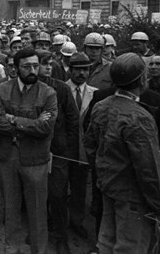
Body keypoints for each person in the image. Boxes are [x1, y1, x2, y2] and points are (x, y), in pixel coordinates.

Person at [84, 53, 160, 253]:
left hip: (108, 188)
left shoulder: (100, 106)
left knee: (105, 243)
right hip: (133, 197)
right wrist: (159, 206)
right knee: (130, 247)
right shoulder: (140, 117)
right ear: (141, 79)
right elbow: (149, 169)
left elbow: (90, 146)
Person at [0, 47, 58, 254]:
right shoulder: (2, 89)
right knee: (11, 208)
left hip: (36, 159)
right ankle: (12, 249)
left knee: (37, 211)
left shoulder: (48, 93)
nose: (32, 70)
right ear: (16, 68)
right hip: (7, 156)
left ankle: (39, 250)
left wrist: (14, 119)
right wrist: (31, 123)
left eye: (36, 66)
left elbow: (45, 128)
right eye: (27, 66)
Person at [37, 50, 79, 254]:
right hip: (36, 148)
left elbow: (72, 118)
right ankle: (41, 232)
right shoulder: (30, 87)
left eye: (49, 64)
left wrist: (68, 146)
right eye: (43, 63)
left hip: (59, 151)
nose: (47, 67)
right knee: (38, 192)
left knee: (58, 194)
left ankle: (61, 237)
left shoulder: (61, 88)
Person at [64, 52, 96, 240]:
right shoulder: (60, 89)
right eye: (77, 69)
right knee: (58, 187)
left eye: (85, 69)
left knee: (79, 188)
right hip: (63, 148)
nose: (81, 73)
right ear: (70, 70)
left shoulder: (96, 93)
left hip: (83, 149)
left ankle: (76, 222)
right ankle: (56, 220)